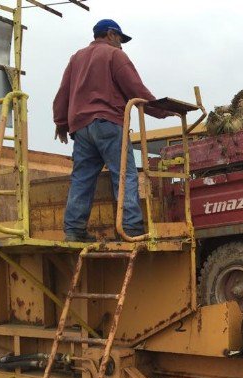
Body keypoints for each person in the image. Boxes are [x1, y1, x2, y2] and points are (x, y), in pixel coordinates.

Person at [53, 19, 171, 242]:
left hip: (81, 129)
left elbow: (63, 93)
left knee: (82, 179)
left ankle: (74, 231)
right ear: (110, 34)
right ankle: (130, 229)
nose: (121, 45)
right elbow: (135, 89)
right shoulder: (115, 56)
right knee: (124, 175)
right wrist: (162, 111)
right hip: (108, 123)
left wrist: (61, 123)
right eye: (120, 38)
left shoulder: (76, 58)